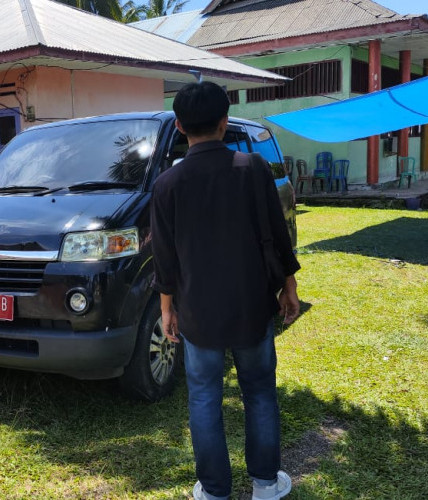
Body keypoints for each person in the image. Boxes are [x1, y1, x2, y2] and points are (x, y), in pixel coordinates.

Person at [150, 81, 301, 500]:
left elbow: (165, 258)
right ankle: (266, 484)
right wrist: (289, 286)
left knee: (202, 398)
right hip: (252, 305)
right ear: (224, 121)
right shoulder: (252, 168)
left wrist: (167, 308)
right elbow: (276, 233)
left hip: (198, 311)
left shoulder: (166, 185)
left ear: (179, 126)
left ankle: (215, 490)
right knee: (259, 391)